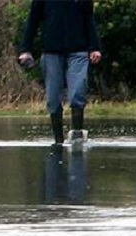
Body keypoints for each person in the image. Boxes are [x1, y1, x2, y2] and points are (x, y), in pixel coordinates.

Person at [18, 0, 102, 145]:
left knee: (77, 92)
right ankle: (58, 141)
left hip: (78, 51)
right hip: (51, 51)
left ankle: (77, 136)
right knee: (52, 97)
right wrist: (25, 49)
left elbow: (89, 20)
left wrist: (95, 47)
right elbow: (32, 20)